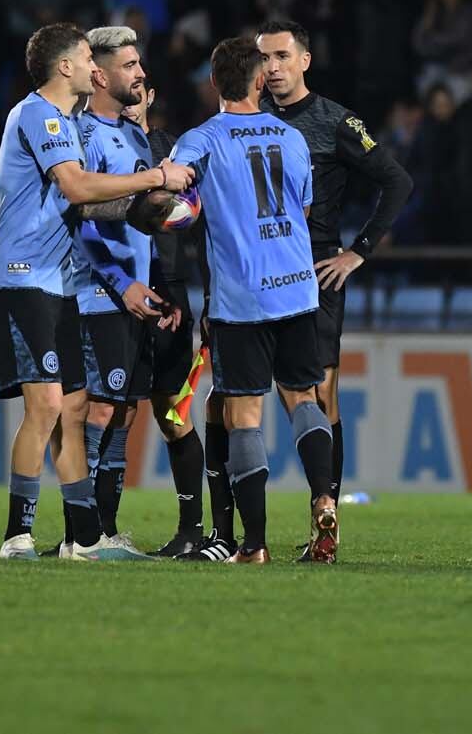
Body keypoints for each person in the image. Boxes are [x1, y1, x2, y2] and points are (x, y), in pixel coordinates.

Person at [0, 23, 193, 562]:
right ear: (65, 68)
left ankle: (84, 538)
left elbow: (89, 206)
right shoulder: (39, 114)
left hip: (58, 281)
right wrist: (153, 180)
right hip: (21, 273)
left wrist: (155, 208)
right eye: (86, 58)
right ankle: (17, 535)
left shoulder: (72, 126)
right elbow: (77, 187)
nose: (95, 69)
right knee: (50, 405)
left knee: (73, 407)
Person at [170, 37, 337, 565]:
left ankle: (255, 544)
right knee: (304, 400)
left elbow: (172, 193)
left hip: (242, 296)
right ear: (260, 81)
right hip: (297, 286)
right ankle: (324, 497)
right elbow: (303, 212)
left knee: (244, 415)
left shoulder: (200, 140)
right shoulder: (291, 138)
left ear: (214, 84)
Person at [254, 19, 413, 562]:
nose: (272, 67)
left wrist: (359, 250)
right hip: (257, 268)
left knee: (321, 394)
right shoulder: (250, 117)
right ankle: (237, 529)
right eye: (264, 58)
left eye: (281, 56)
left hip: (315, 268)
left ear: (304, 60)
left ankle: (327, 516)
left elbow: (398, 181)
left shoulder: (334, 121)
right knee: (263, 395)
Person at [72, 26, 178, 559]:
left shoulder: (136, 137)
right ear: (100, 74)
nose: (140, 74)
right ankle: (82, 536)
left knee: (125, 412)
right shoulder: (83, 136)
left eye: (140, 63)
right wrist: (122, 283)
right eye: (130, 65)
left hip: (136, 294)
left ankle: (105, 530)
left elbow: (141, 221)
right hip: (99, 295)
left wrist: (157, 288)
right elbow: (82, 218)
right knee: (99, 409)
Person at [121, 84, 208, 558]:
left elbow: (206, 223)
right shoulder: (100, 144)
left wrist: (202, 294)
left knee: (172, 414)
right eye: (125, 91)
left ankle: (191, 530)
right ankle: (95, 531)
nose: (132, 101)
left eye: (139, 92)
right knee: (110, 412)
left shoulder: (174, 153)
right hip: (115, 292)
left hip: (169, 294)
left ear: (152, 97)